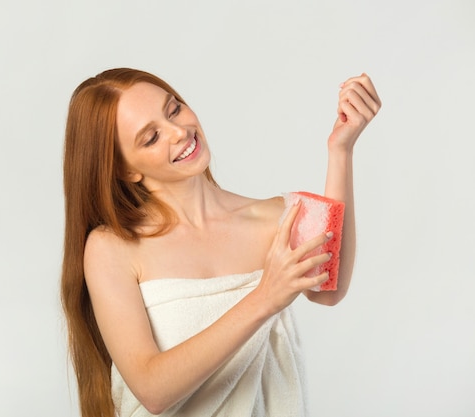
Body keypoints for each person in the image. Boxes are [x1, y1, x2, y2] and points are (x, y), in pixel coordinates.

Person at [61, 68, 381, 417]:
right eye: (151, 138)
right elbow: (152, 389)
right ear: (125, 170)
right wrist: (265, 298)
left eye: (174, 109)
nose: (179, 131)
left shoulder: (275, 217)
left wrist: (341, 149)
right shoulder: (111, 248)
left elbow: (328, 290)